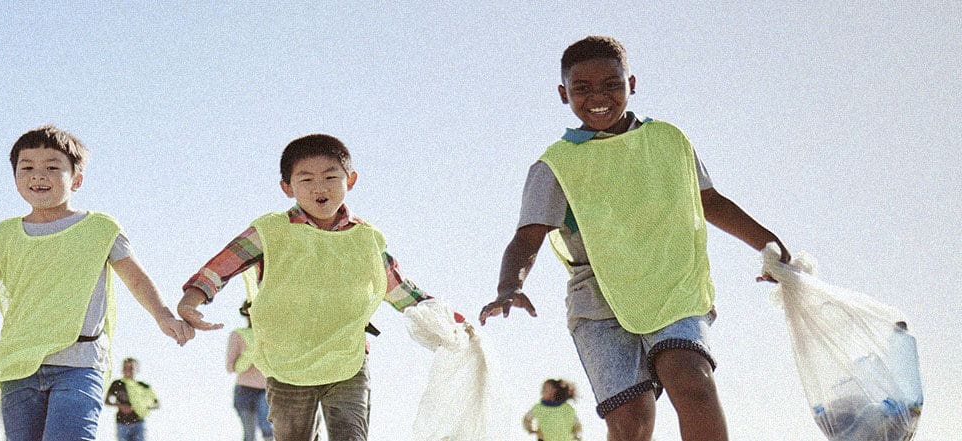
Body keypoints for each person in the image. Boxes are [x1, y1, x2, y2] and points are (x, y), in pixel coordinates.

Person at [478, 36, 790, 441]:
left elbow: (710, 202)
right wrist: (509, 286)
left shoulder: (668, 142)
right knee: (632, 423)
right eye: (582, 89)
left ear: (632, 84)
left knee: (692, 384)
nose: (598, 98)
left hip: (671, 282)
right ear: (562, 94)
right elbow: (526, 238)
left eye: (611, 84)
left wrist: (771, 247)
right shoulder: (555, 165)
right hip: (597, 300)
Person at [0, 125, 193, 441]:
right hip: (18, 365)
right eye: (27, 167)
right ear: (15, 177)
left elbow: (136, 279)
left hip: (80, 363)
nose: (38, 176)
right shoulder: (0, 236)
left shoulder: (100, 228)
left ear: (76, 179)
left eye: (52, 167)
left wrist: (164, 315)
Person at [178, 133, 434, 441]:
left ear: (350, 180)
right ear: (287, 188)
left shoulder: (366, 238)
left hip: (347, 359)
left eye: (330, 176)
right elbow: (223, 265)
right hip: (287, 362)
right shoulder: (271, 230)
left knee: (351, 436)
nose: (320, 187)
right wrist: (190, 301)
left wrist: (446, 320)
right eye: (306, 179)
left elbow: (398, 288)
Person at [227, 301, 274, 441]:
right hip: (244, 392)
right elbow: (231, 367)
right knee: (249, 434)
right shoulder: (238, 335)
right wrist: (252, 352)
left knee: (268, 429)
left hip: (266, 391)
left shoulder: (271, 336)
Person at [104, 357, 159, 441]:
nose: (128, 370)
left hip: (138, 422)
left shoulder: (143, 386)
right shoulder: (117, 384)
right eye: (125, 368)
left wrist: (140, 406)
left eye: (131, 368)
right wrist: (119, 405)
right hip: (121, 423)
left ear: (137, 369)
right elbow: (107, 401)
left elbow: (156, 403)